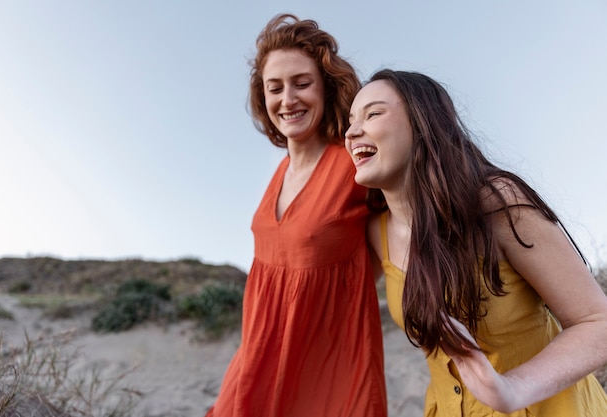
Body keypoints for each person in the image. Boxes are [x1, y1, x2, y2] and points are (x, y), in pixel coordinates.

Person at [345, 69, 607, 416]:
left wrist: (512, 388)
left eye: (373, 113)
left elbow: (596, 322)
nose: (352, 132)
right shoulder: (375, 234)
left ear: (423, 123)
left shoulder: (496, 202)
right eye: (350, 121)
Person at [205, 14, 387, 417]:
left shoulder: (354, 163)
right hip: (256, 361)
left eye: (301, 84)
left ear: (325, 87)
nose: (287, 99)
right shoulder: (279, 174)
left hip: (326, 369)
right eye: (275, 88)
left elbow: (398, 240)